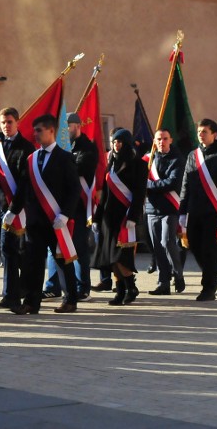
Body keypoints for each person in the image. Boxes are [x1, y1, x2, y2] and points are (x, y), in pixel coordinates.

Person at [5, 114, 81, 314]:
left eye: (39, 130)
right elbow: (23, 188)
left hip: (56, 219)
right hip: (35, 220)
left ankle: (70, 299)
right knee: (33, 263)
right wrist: (12, 210)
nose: (35, 134)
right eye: (35, 130)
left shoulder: (65, 157)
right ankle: (31, 302)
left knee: (63, 260)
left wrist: (65, 214)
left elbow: (74, 189)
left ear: (51, 131)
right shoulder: (31, 158)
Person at [0, 107, 35, 311]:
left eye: (9, 122)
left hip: (18, 209)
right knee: (8, 252)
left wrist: (14, 209)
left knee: (13, 251)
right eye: (3, 122)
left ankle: (14, 294)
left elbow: (24, 182)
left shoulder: (26, 148)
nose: (6, 126)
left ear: (17, 122)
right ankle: (12, 292)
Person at [43, 112, 98, 301]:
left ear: (77, 126)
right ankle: (53, 286)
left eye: (68, 127)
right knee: (53, 247)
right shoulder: (58, 148)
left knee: (78, 247)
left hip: (78, 205)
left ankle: (82, 287)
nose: (64, 131)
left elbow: (81, 168)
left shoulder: (88, 147)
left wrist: (65, 162)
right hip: (57, 204)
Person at [179, 119, 217, 302]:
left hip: (213, 211)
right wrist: (182, 211)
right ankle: (213, 276)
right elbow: (185, 184)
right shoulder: (192, 155)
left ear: (214, 134)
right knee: (194, 245)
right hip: (194, 210)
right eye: (199, 131)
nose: (201, 134)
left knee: (210, 250)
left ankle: (208, 288)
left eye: (204, 131)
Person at [92, 129, 148, 305]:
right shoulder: (112, 163)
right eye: (114, 142)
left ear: (127, 143)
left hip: (125, 217)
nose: (116, 145)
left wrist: (133, 216)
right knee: (110, 257)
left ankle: (131, 287)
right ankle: (120, 290)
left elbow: (139, 193)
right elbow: (105, 194)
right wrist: (96, 217)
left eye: (120, 142)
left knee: (120, 256)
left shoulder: (138, 164)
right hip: (109, 218)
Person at [145, 128, 186, 295]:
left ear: (170, 140)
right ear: (155, 141)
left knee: (167, 242)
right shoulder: (149, 159)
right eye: (159, 139)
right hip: (152, 208)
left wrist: (149, 185)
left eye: (165, 138)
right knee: (157, 248)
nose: (162, 142)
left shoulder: (178, 160)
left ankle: (178, 274)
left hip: (170, 208)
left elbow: (172, 183)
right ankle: (163, 283)